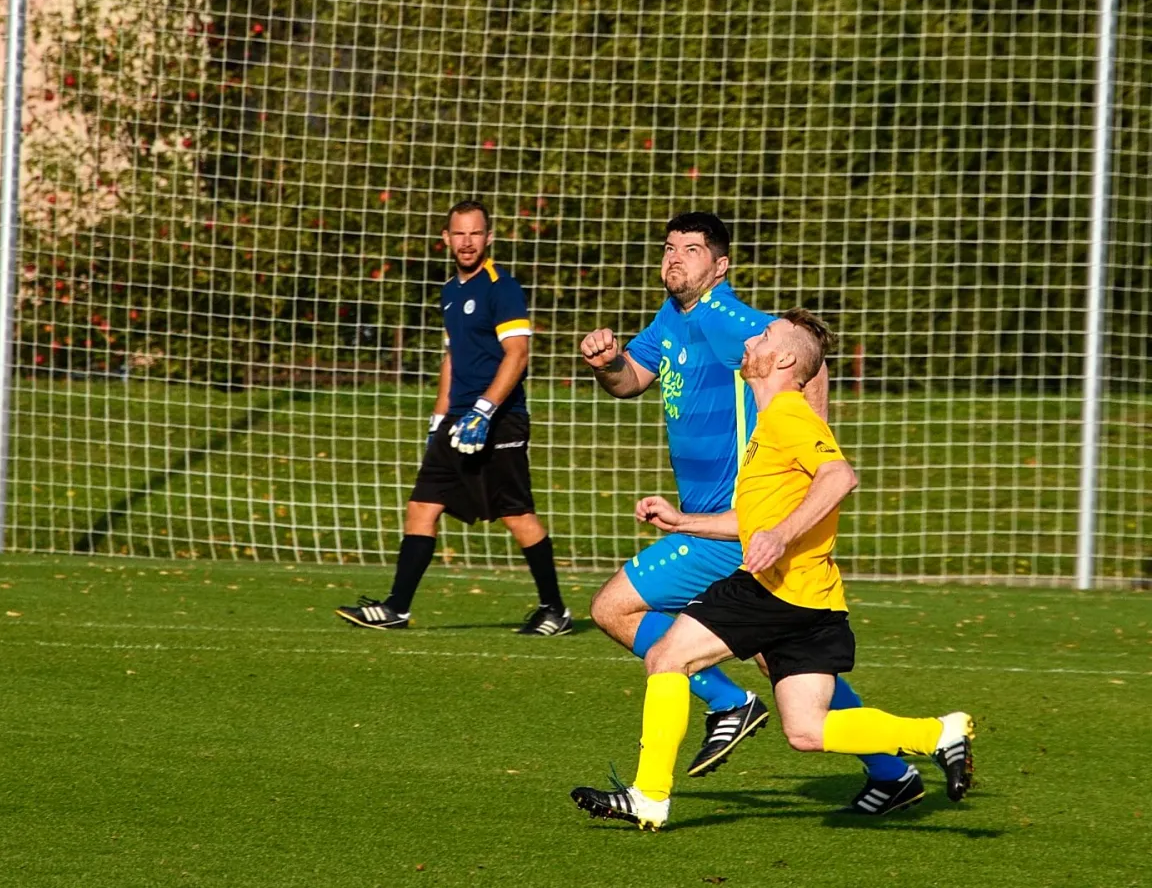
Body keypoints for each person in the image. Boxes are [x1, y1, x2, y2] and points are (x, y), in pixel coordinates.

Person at [570, 310, 975, 830]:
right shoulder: (770, 425)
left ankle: (649, 796)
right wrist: (684, 521)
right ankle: (937, 735)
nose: (752, 340)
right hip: (813, 599)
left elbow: (839, 476)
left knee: (668, 658)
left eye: (763, 336)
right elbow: (754, 521)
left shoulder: (787, 414)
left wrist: (780, 537)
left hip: (773, 589)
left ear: (782, 359)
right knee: (806, 730)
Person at [336, 199, 570, 636]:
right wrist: (438, 420)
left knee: (516, 514)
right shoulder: (449, 291)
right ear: (446, 238)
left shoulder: (502, 288)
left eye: (475, 233)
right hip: (457, 421)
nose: (467, 242)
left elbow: (517, 355)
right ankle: (396, 608)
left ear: (489, 237)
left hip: (500, 419)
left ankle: (555, 610)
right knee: (422, 506)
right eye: (459, 233)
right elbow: (452, 358)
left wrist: (484, 410)